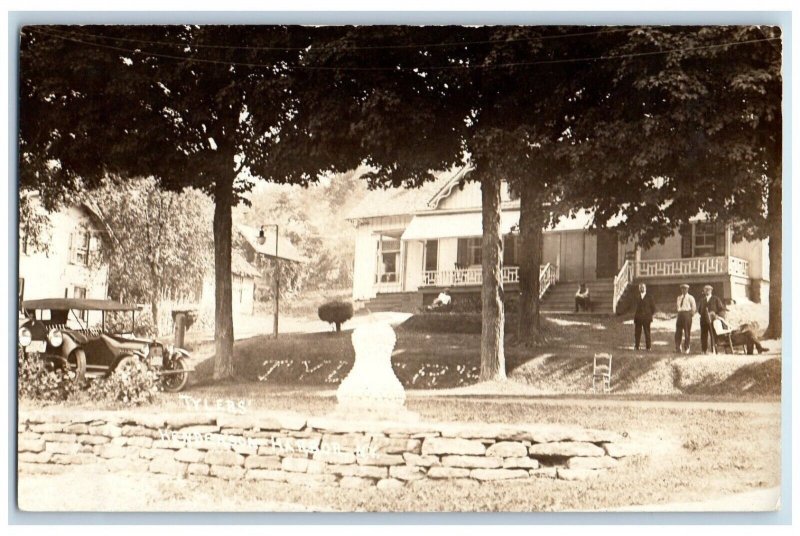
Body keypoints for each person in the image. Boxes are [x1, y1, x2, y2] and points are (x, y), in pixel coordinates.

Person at [698, 284, 726, 353]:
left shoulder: (716, 299)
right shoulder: (702, 300)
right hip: (704, 321)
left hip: (713, 321)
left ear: (711, 291)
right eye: (705, 290)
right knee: (703, 335)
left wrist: (716, 316)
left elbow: (721, 309)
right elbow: (699, 310)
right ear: (704, 291)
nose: (707, 291)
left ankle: (714, 349)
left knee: (713, 334)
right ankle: (704, 350)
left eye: (708, 290)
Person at [632, 283, 656, 351]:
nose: (641, 288)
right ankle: (637, 346)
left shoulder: (649, 297)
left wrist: (649, 315)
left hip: (646, 318)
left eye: (643, 287)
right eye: (640, 287)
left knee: (647, 332)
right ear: (639, 289)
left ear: (645, 288)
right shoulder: (637, 297)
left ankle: (648, 347)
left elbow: (653, 308)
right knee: (637, 333)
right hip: (638, 318)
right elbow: (635, 307)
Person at [674, 283, 696, 354]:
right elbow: (678, 307)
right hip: (680, 314)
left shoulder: (690, 297)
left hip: (687, 314)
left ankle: (687, 347)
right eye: (682, 289)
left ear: (687, 289)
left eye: (685, 289)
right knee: (678, 332)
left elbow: (693, 308)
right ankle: (678, 347)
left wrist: (690, 315)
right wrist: (679, 312)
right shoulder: (679, 297)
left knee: (687, 332)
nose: (683, 290)